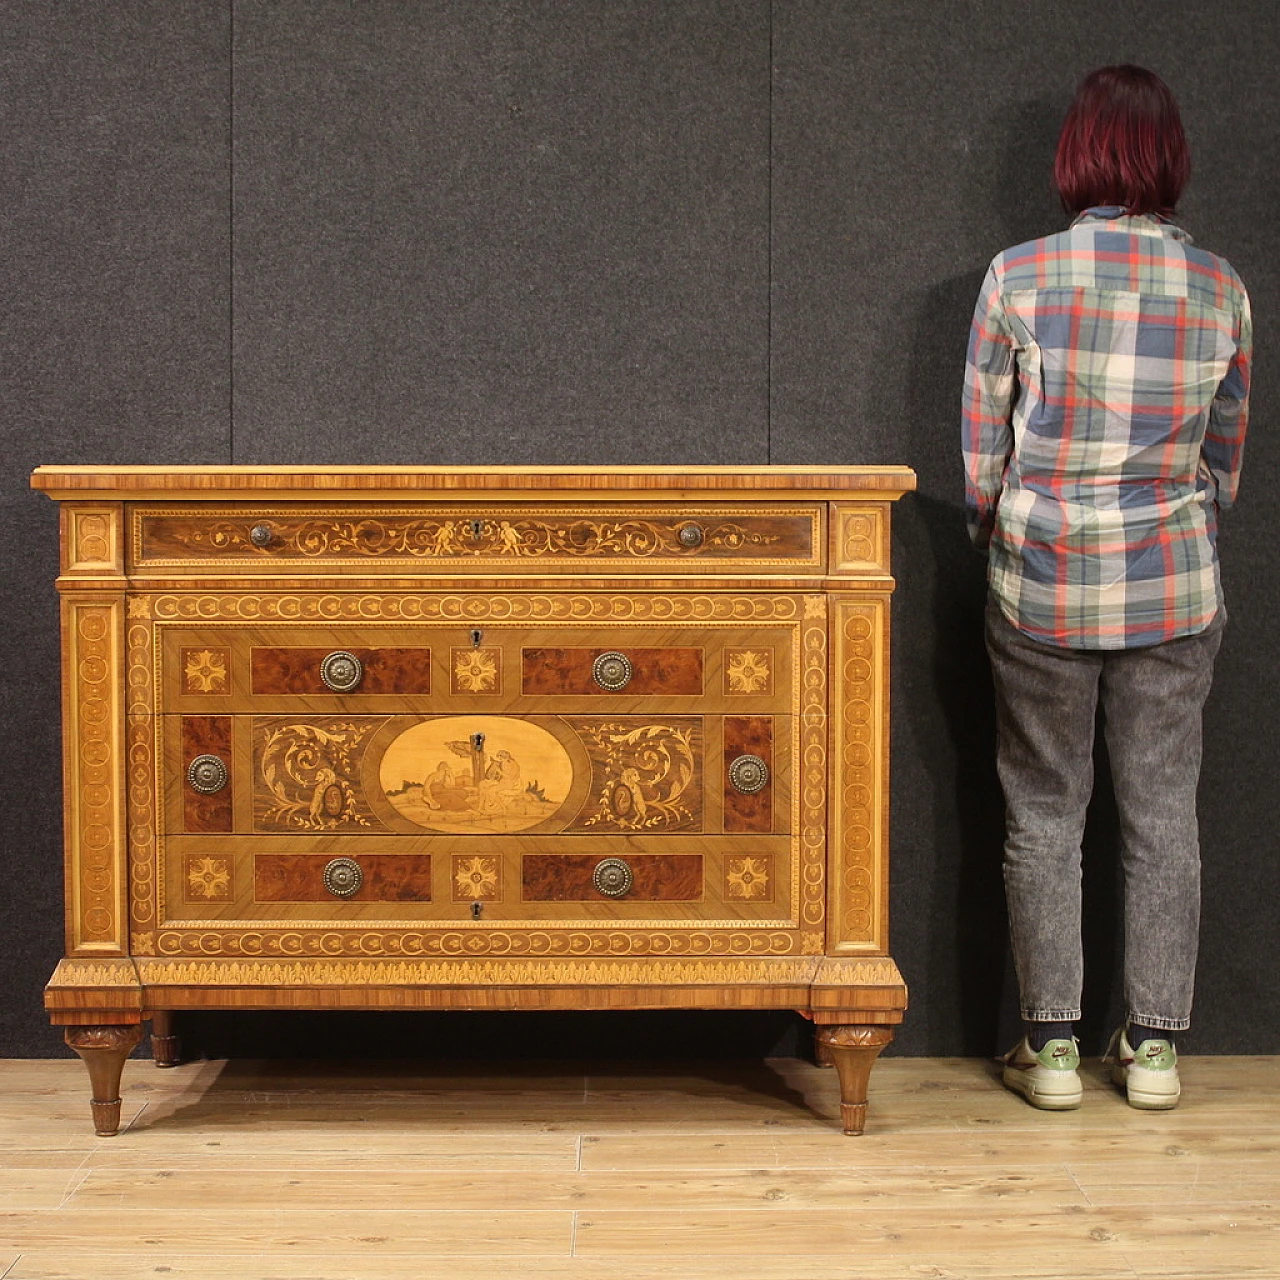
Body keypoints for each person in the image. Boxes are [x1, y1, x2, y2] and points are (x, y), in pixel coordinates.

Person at [962, 65, 1251, 1110]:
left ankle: (1048, 1050)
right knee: (1161, 810)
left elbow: (979, 456)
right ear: (1168, 156)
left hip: (1041, 580)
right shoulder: (1220, 288)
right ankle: (1156, 1049)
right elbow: (1223, 460)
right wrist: (1174, 518)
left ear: (1074, 155)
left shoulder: (1017, 277)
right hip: (1172, 583)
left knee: (1041, 809)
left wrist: (1003, 526)